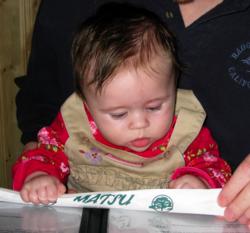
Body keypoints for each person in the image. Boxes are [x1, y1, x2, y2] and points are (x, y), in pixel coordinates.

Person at [15, 0, 250, 227]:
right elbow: (44, 152)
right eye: (118, 114)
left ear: (174, 88)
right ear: (85, 102)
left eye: (155, 107)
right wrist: (38, 176)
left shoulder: (185, 128)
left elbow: (215, 166)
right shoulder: (73, 124)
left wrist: (199, 180)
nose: (140, 123)